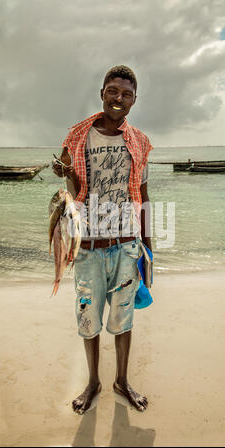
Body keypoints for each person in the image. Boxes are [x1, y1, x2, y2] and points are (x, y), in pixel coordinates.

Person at [52, 65, 153, 414]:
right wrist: (65, 173)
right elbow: (74, 193)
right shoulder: (79, 138)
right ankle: (93, 382)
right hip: (89, 247)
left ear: (134, 100)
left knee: (123, 319)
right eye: (113, 91)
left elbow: (143, 194)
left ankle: (121, 381)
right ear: (102, 93)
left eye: (126, 94)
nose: (118, 98)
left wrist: (149, 247)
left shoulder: (139, 142)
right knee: (88, 320)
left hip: (127, 245)